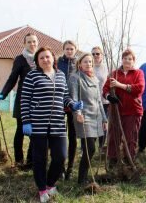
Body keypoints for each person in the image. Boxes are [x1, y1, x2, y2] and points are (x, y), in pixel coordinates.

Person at [20, 46, 83, 202]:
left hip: (57, 123)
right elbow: (25, 100)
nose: (45, 60)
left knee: (61, 156)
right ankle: (42, 190)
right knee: (39, 158)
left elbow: (65, 96)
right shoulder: (32, 75)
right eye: (41, 58)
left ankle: (49, 184)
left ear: (53, 58)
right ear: (37, 61)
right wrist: (26, 121)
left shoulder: (60, 75)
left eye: (47, 57)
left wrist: (72, 104)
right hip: (38, 123)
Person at [0, 33, 38, 170]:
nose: (32, 44)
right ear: (24, 44)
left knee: (34, 133)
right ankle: (19, 161)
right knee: (20, 131)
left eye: (34, 41)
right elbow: (13, 78)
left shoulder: (41, 58)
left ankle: (30, 162)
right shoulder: (20, 59)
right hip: (23, 100)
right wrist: (3, 93)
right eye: (29, 42)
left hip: (37, 101)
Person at [68, 53, 107, 184]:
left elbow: (99, 101)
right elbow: (73, 98)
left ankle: (84, 177)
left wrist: (104, 119)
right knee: (90, 148)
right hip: (83, 116)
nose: (88, 64)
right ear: (80, 64)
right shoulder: (75, 78)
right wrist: (77, 112)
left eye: (90, 62)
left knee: (90, 148)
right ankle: (81, 179)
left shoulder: (95, 79)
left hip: (96, 116)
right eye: (85, 62)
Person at [103, 49, 145, 164]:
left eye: (130, 59)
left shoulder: (138, 73)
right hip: (116, 110)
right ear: (121, 60)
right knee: (113, 136)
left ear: (133, 61)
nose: (127, 61)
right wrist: (108, 97)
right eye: (125, 58)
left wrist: (119, 85)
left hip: (133, 110)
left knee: (130, 137)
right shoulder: (114, 73)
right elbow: (105, 89)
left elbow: (139, 88)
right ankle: (113, 159)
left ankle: (129, 160)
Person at [57, 40, 78, 180]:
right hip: (59, 103)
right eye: (67, 49)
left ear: (75, 50)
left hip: (74, 104)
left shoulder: (78, 64)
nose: (69, 51)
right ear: (63, 49)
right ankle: (60, 167)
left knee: (73, 136)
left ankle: (70, 167)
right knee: (59, 136)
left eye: (72, 49)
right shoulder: (57, 63)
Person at [91, 46, 109, 150]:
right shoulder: (89, 66)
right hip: (92, 101)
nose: (95, 56)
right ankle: (91, 147)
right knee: (93, 124)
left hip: (104, 101)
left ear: (101, 55)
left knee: (103, 124)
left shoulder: (106, 68)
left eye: (97, 53)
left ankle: (101, 147)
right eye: (93, 54)